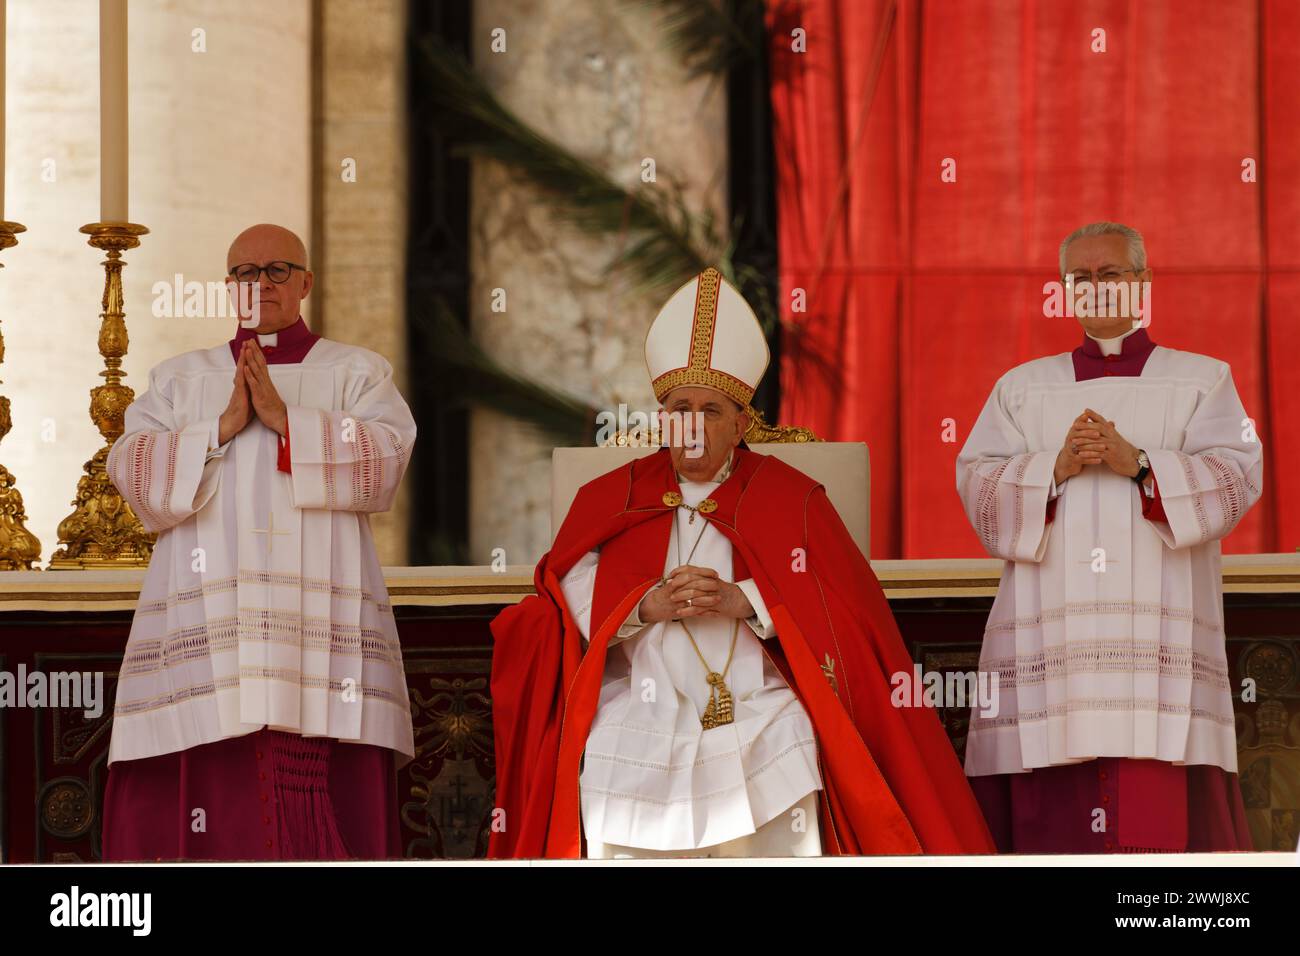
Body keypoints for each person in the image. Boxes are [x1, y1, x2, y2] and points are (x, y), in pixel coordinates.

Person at [489, 267, 994, 858]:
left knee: (794, 737)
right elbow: (563, 581)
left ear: (740, 422)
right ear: (661, 418)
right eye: (680, 408)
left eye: (710, 410)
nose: (694, 426)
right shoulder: (611, 496)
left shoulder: (790, 498)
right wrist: (639, 605)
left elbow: (843, 608)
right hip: (645, 694)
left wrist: (748, 601)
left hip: (759, 698)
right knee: (607, 749)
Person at [101, 224, 417, 860]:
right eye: (246, 273)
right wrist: (220, 428)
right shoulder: (179, 380)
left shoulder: (356, 372)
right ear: (227, 288)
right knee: (212, 770)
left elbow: (386, 462)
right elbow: (131, 470)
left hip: (316, 619)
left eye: (277, 270)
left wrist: (286, 422)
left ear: (305, 283)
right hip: (213, 618)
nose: (260, 285)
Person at [957, 221, 1262, 852]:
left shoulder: (1202, 380)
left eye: (1112, 273)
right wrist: (1054, 468)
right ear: (1065, 291)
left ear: (1144, 283)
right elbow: (980, 490)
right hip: (1055, 639)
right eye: (1081, 277)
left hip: (1158, 638)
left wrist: (1142, 464)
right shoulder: (1022, 388)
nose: (1096, 287)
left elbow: (1236, 478)